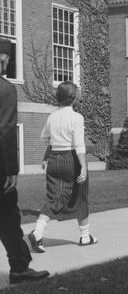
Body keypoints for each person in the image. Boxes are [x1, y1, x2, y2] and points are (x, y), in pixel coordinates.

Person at [0, 38, 49, 284]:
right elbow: (5, 132)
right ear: (3, 58)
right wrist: (11, 169)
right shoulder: (5, 89)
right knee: (8, 217)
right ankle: (19, 268)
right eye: (7, 57)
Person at [29, 81, 97, 254]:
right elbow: (79, 145)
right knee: (80, 196)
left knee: (54, 198)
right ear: (74, 98)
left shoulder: (52, 117)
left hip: (54, 160)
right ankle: (85, 236)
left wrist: (47, 156)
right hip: (71, 160)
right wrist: (82, 167)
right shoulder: (76, 117)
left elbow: (44, 139)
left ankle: (37, 233)